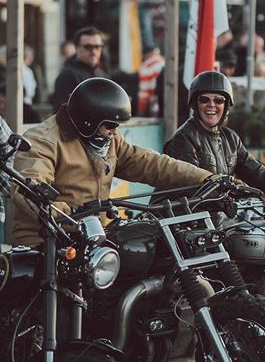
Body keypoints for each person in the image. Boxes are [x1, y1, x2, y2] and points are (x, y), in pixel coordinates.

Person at [10, 78, 213, 246]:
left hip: (91, 237)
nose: (115, 131)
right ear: (88, 120)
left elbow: (151, 163)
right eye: (110, 125)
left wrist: (208, 179)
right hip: (46, 240)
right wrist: (64, 211)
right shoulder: (44, 140)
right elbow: (29, 187)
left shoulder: (108, 141)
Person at [164, 71, 265, 201]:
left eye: (218, 100)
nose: (211, 105)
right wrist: (238, 192)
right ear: (195, 104)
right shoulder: (184, 138)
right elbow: (193, 185)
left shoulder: (230, 139)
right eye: (204, 99)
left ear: (226, 106)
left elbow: (257, 172)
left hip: (216, 223)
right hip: (187, 224)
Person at [52, 27, 108, 111]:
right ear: (77, 49)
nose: (93, 51)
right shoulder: (68, 75)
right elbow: (60, 114)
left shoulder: (101, 74)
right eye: (88, 47)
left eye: (97, 46)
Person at [137, 45, 165, 117]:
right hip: (167, 106)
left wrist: (140, 113)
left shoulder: (146, 66)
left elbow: (144, 95)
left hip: (154, 108)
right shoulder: (163, 61)